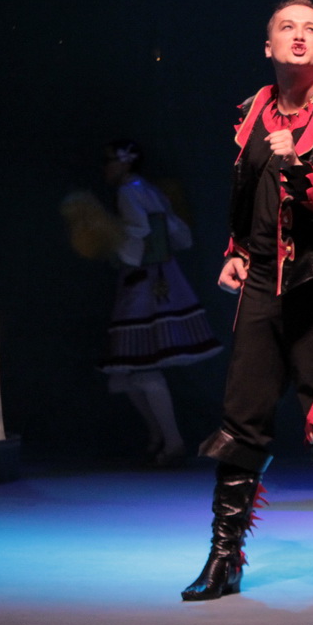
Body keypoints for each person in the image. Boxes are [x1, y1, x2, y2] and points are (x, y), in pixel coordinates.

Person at [181, 0, 313, 604]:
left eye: (311, 29)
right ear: (267, 45)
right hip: (261, 288)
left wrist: (299, 165)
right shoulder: (253, 109)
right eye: (286, 27)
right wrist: (236, 251)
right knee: (241, 421)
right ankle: (223, 559)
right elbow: (246, 197)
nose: (299, 35)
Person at [96, 139, 222, 467]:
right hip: (157, 276)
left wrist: (113, 243)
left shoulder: (129, 192)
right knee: (127, 374)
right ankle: (160, 436)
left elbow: (140, 232)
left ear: (125, 162)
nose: (106, 168)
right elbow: (177, 231)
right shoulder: (147, 189)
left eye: (110, 161)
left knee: (141, 367)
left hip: (145, 279)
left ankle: (171, 439)